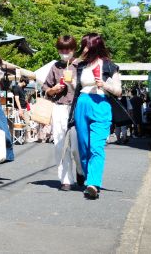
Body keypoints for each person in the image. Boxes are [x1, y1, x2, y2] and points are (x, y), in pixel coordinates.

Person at [73, 33, 122, 200]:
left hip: (101, 104)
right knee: (84, 146)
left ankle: (93, 183)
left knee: (96, 146)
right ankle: (86, 175)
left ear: (94, 46)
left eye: (86, 45)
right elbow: (75, 86)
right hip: (82, 103)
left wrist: (105, 84)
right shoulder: (81, 66)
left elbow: (119, 91)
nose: (84, 48)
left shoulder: (109, 66)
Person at [42, 35, 83, 191]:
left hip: (77, 107)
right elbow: (46, 88)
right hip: (59, 107)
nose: (65, 52)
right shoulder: (55, 67)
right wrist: (53, 90)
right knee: (60, 144)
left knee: (76, 145)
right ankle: (66, 179)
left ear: (73, 49)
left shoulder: (80, 65)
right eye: (62, 49)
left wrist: (72, 83)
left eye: (68, 49)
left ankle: (80, 170)